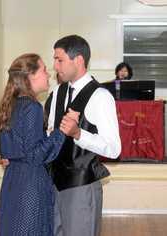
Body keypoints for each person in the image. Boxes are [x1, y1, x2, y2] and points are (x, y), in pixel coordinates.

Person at [45, 35, 121, 236]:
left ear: (78, 60)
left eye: (59, 60)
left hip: (82, 185)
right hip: (54, 184)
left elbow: (114, 149)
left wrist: (79, 134)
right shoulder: (57, 92)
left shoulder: (100, 96)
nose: (55, 66)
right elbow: (51, 133)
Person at [0, 53, 79, 236]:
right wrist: (63, 130)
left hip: (12, 180)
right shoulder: (32, 107)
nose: (49, 74)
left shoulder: (9, 105)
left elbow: (9, 152)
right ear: (30, 75)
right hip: (30, 185)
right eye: (43, 70)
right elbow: (35, 155)